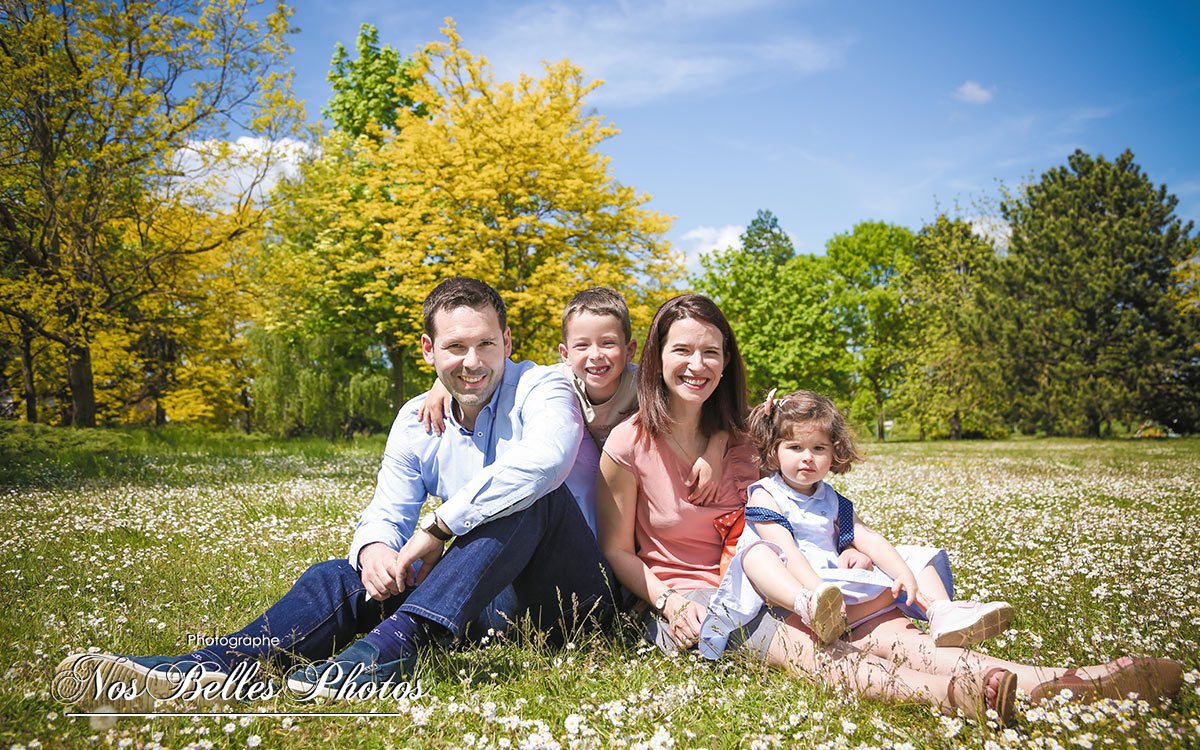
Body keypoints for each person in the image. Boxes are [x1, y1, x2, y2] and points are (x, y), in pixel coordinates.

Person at [596, 293, 1183, 727]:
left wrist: (845, 548)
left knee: (880, 628)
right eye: (682, 351)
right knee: (820, 653)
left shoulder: (748, 443)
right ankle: (971, 696)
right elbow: (617, 549)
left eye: (711, 352)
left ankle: (1054, 683)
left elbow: (799, 510)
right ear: (656, 357)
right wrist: (670, 601)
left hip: (790, 579)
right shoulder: (629, 444)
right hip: (699, 598)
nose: (696, 364)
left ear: (726, 362)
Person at [55, 277, 615, 710]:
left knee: (529, 494)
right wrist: (375, 550)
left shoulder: (544, 386)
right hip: (473, 600)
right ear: (429, 350)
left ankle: (390, 654)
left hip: (566, 600)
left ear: (508, 342)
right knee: (341, 576)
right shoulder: (416, 420)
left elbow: (545, 460)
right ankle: (210, 669)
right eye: (456, 347)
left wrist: (438, 526)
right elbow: (386, 511)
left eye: (486, 345)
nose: (472, 363)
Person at [700, 388, 1013, 650]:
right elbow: (789, 552)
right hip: (793, 587)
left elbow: (870, 538)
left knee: (914, 554)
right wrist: (818, 592)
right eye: (795, 447)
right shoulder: (765, 493)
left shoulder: (831, 498)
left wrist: (902, 572)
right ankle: (817, 610)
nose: (807, 456)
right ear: (774, 451)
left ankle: (940, 611)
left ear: (834, 453)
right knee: (756, 556)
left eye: (818, 448)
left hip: (832, 580)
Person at [419, 287, 731, 517]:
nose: (596, 355)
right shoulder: (556, 383)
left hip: (642, 492)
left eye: (608, 343)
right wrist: (441, 385)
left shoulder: (646, 384)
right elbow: (496, 374)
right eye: (582, 345)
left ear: (631, 349)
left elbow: (713, 407)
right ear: (565, 354)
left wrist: (714, 452)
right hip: (587, 492)